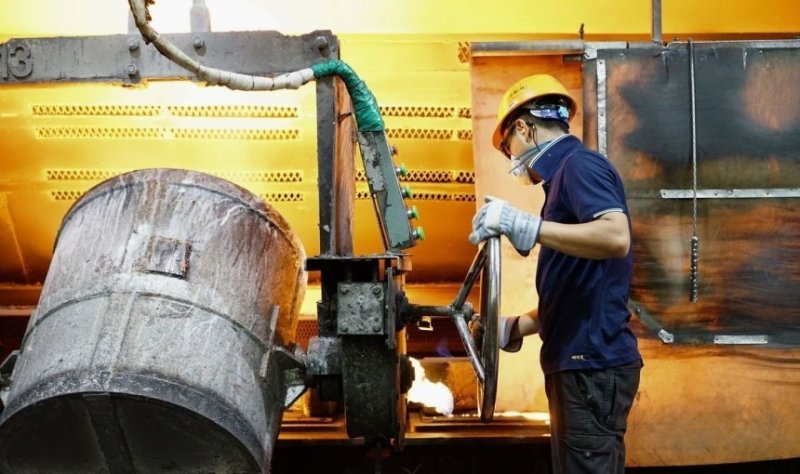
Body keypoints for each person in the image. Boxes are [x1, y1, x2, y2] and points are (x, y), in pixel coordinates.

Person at [469, 74, 643, 474]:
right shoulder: (563, 180)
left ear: (523, 128)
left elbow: (616, 237)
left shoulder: (579, 166)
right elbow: (578, 289)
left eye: (507, 147)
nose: (511, 160)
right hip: (584, 365)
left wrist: (527, 226)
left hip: (590, 366)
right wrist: (514, 327)